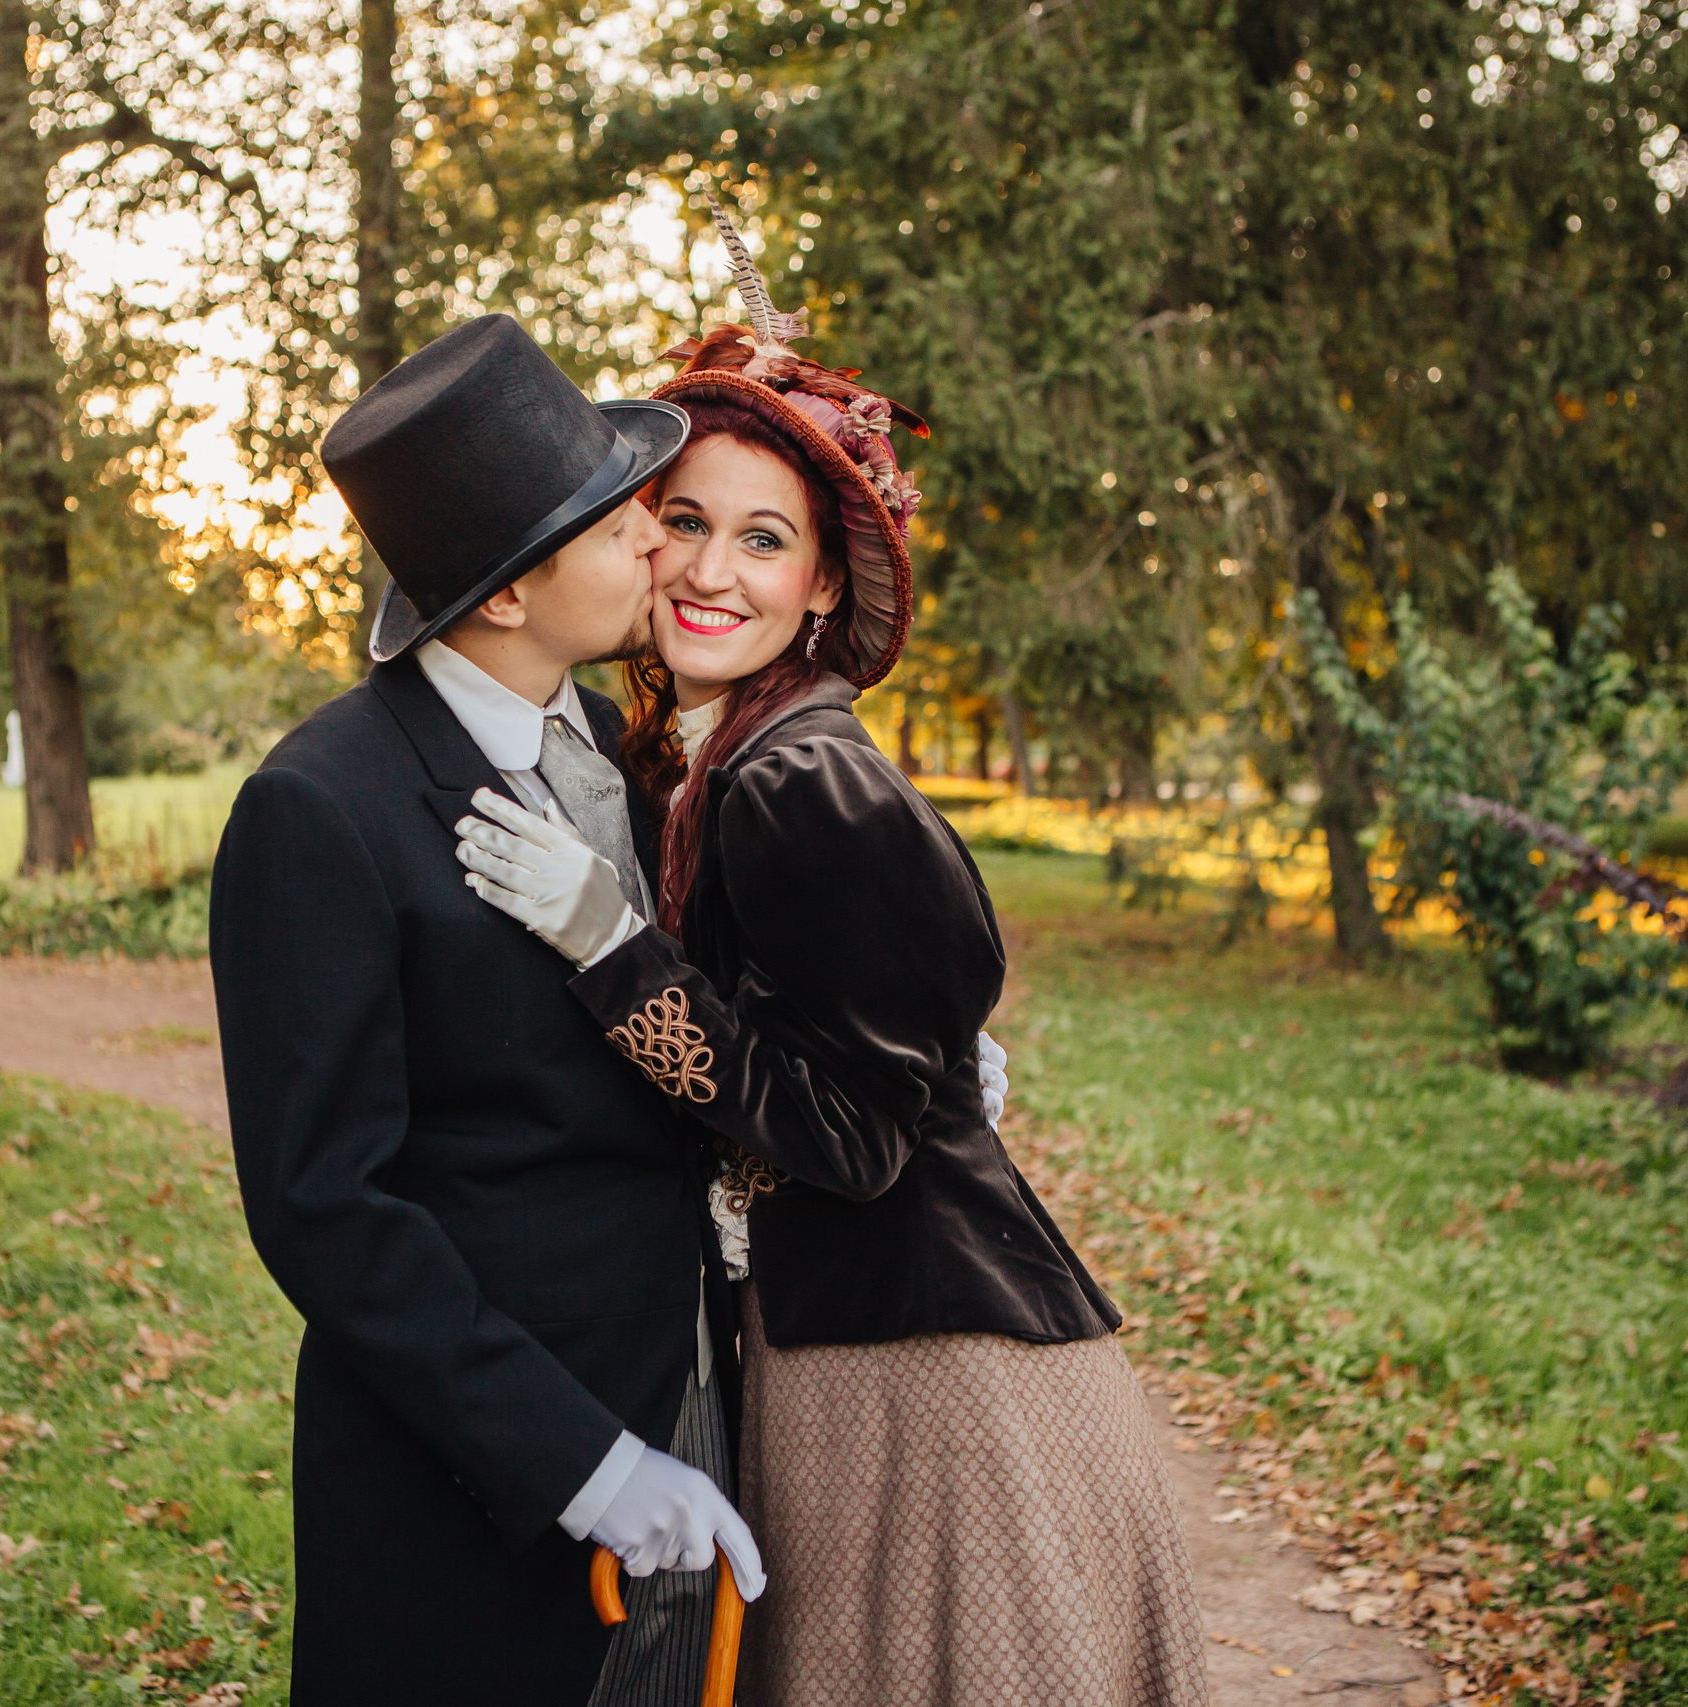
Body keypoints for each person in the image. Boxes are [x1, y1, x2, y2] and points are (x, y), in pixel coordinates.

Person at [454, 234, 1210, 1707]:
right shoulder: (716, 763)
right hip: (856, 1354)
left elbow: (853, 1141)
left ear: (817, 589)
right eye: (684, 521)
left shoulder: (804, 780)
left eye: (764, 539)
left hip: (941, 1385)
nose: (712, 571)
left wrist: (614, 955)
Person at [209, 313, 766, 1707]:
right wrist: (580, 1463)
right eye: (614, 519)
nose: (658, 541)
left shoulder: (625, 760)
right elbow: (326, 1208)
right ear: (509, 595)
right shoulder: (318, 809)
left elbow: (685, 1031)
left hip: (694, 1395)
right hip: (479, 1493)